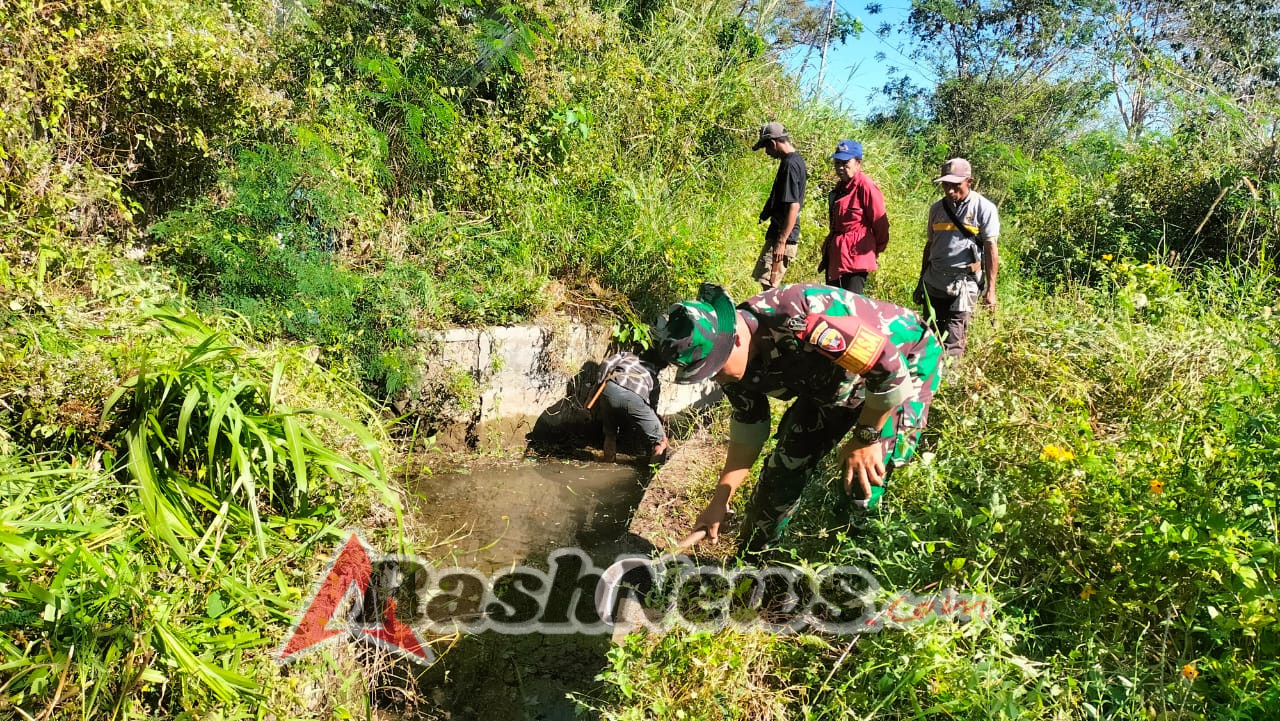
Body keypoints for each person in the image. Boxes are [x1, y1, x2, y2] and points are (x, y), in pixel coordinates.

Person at [653, 283, 942, 555]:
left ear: (735, 338)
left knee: (865, 478)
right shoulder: (730, 365)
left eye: (714, 369)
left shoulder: (803, 318)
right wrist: (720, 501)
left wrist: (865, 437)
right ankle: (753, 563)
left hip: (902, 365)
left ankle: (854, 565)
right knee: (782, 473)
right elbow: (750, 427)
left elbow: (890, 372)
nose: (715, 378)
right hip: (832, 386)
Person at [914, 157, 1000, 357]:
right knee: (929, 337)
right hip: (934, 281)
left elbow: (991, 248)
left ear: (969, 182)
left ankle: (951, 374)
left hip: (964, 283)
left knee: (954, 339)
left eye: (956, 185)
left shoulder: (983, 208)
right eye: (945, 185)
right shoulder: (937, 209)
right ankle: (928, 374)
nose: (950, 191)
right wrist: (921, 282)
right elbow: (930, 245)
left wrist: (991, 290)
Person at [819, 140, 890, 295]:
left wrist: (872, 250)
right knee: (833, 304)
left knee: (851, 304)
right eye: (837, 163)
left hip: (855, 259)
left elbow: (881, 224)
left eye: (845, 163)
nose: (840, 168)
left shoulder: (866, 186)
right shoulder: (840, 188)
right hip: (836, 256)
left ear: (858, 163)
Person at [751, 122, 807, 290]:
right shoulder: (794, 161)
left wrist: (781, 241)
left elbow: (794, 206)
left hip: (783, 235)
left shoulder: (790, 165)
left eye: (766, 148)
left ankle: (776, 310)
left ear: (773, 143)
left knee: (769, 285)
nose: (767, 153)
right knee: (767, 284)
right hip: (780, 232)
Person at [590, 349, 669, 465]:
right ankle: (653, 472)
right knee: (661, 442)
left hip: (609, 390)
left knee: (610, 435)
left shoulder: (626, 355)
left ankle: (609, 464)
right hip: (634, 397)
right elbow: (651, 408)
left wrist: (599, 382)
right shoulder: (654, 381)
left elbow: (606, 364)